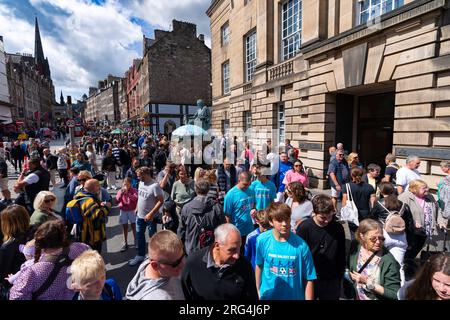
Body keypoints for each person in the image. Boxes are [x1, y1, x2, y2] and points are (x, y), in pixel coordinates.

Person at [9, 220, 90, 300]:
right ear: (63, 235)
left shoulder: (33, 271)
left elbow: (16, 296)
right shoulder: (81, 248)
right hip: (72, 295)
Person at [255, 202, 316, 300]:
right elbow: (259, 265)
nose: (284, 224)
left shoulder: (302, 246)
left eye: (287, 219)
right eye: (279, 220)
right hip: (268, 296)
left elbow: (309, 278)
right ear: (271, 222)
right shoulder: (262, 240)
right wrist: (258, 290)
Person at [181, 223, 258, 300]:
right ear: (217, 246)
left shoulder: (244, 265)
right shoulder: (193, 262)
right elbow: (184, 293)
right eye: (232, 250)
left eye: (239, 248)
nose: (237, 256)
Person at [296, 194, 346, 300]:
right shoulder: (304, 228)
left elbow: (341, 252)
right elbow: (299, 254)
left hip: (331, 277)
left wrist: (340, 273)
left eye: (330, 216)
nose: (327, 221)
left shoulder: (337, 228)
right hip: (310, 276)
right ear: (314, 213)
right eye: (323, 217)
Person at [370, 182, 413, 284]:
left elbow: (372, 218)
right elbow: (410, 224)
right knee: (399, 265)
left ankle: (377, 285)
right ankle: (400, 291)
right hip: (401, 237)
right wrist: (410, 241)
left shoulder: (379, 203)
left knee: (377, 261)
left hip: (383, 236)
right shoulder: (403, 205)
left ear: (381, 191)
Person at [347, 218, 401, 300]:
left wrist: (368, 282)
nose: (378, 242)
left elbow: (395, 294)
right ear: (362, 236)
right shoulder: (356, 246)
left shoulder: (389, 261)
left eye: (381, 238)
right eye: (373, 239)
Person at [126, 230, 185, 300]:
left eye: (182, 257)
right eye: (175, 263)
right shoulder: (160, 297)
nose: (182, 265)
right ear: (155, 265)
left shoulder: (148, 262)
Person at [398, 179, 445, 262]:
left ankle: (413, 267)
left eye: (427, 187)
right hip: (411, 232)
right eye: (424, 188)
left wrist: (440, 222)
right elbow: (399, 215)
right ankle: (406, 268)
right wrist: (412, 222)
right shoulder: (404, 197)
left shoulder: (429, 196)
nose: (427, 189)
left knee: (419, 251)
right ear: (414, 189)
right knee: (409, 253)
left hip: (426, 230)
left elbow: (438, 210)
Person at [178, 179, 226, 256]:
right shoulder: (217, 207)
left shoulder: (186, 208)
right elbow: (223, 229)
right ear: (208, 190)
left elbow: (181, 230)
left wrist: (180, 247)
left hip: (191, 249)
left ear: (195, 189)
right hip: (211, 249)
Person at [129, 167, 164, 267]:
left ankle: (154, 256)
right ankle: (140, 255)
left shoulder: (155, 185)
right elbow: (140, 197)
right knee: (140, 235)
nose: (138, 178)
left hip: (150, 217)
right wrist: (136, 207)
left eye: (140, 176)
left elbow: (161, 201)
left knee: (152, 237)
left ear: (146, 174)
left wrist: (151, 214)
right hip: (140, 215)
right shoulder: (141, 183)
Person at [69, 179, 109, 253]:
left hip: (82, 231)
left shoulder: (80, 194)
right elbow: (98, 215)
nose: (99, 188)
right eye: (98, 186)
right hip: (91, 235)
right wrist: (106, 207)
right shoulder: (89, 200)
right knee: (93, 254)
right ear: (94, 188)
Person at [0, 205, 31, 300]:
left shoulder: (8, 246)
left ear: (6, 223)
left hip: (16, 287)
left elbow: (3, 273)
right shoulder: (36, 234)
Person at [224, 171, 256, 253]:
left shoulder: (251, 190)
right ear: (239, 180)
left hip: (250, 230)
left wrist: (254, 211)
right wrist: (230, 231)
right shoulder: (230, 195)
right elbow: (227, 215)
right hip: (238, 231)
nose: (246, 187)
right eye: (244, 184)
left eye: (248, 184)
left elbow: (254, 205)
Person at [115, 177, 138, 252]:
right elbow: (116, 201)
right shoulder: (120, 191)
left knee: (134, 226)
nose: (126, 186)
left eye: (128, 184)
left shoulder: (134, 190)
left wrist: (128, 194)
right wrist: (121, 193)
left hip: (132, 210)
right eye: (125, 184)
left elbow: (135, 199)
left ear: (130, 184)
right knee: (124, 227)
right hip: (123, 211)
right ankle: (125, 242)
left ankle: (136, 241)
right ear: (122, 184)